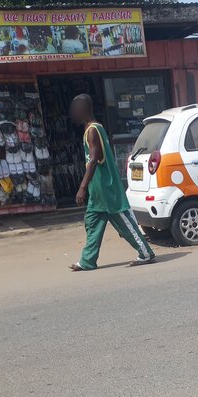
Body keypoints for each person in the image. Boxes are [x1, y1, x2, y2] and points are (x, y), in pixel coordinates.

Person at [68, 94, 155, 270]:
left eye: (75, 109)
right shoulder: (90, 130)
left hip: (107, 189)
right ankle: (87, 261)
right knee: (92, 224)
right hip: (97, 191)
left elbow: (93, 160)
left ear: (84, 110)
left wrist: (82, 188)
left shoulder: (93, 130)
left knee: (124, 223)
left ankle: (146, 253)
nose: (72, 113)